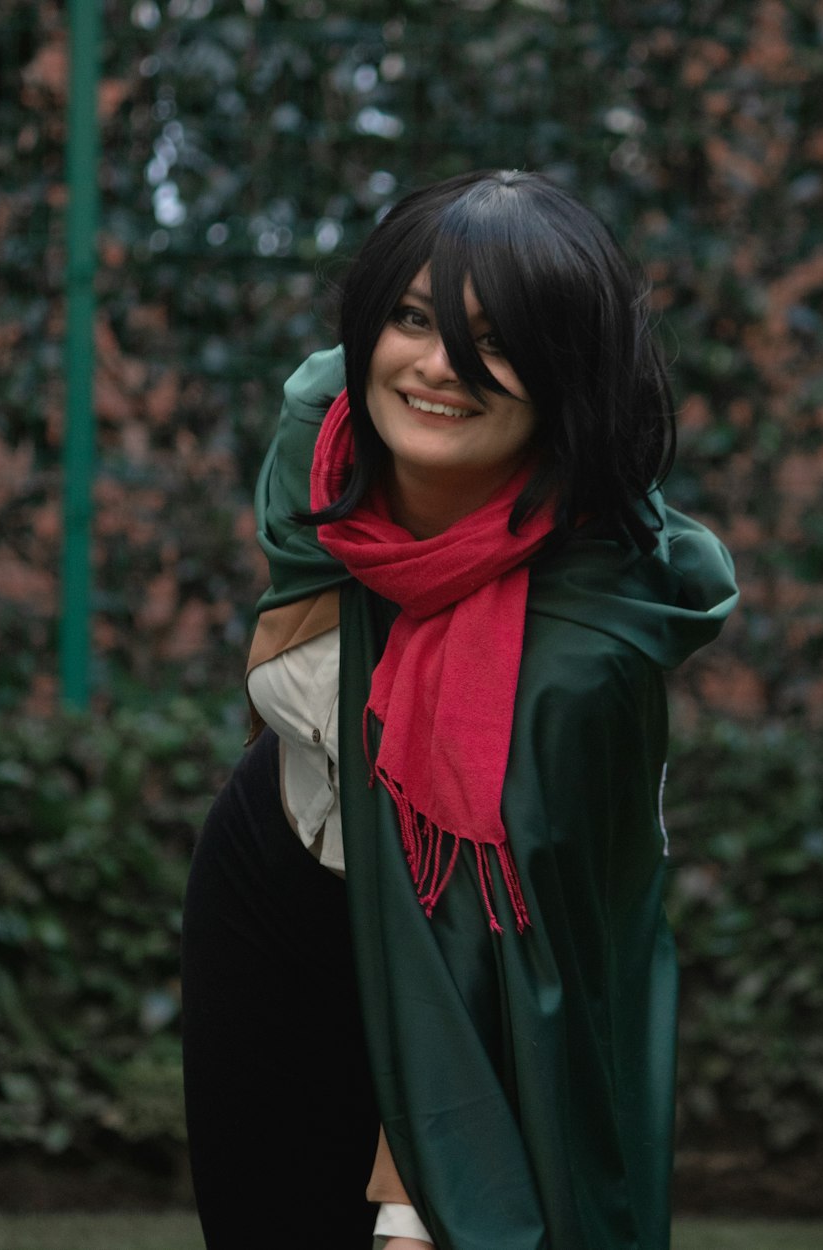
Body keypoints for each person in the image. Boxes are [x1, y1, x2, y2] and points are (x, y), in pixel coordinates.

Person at [180, 169, 738, 1250]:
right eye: (412, 318)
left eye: (499, 338)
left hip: (470, 944)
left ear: (570, 373)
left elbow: (511, 977)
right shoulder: (323, 448)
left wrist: (412, 1199)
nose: (440, 367)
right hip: (275, 873)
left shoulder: (579, 657)